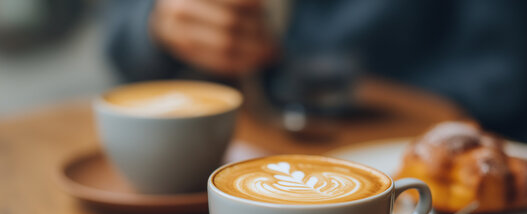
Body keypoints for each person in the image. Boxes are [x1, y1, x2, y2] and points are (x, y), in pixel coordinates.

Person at [104, 0, 527, 141]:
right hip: (240, 145)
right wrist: (159, 23)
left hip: (414, 157)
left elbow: (503, 76)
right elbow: (117, 39)